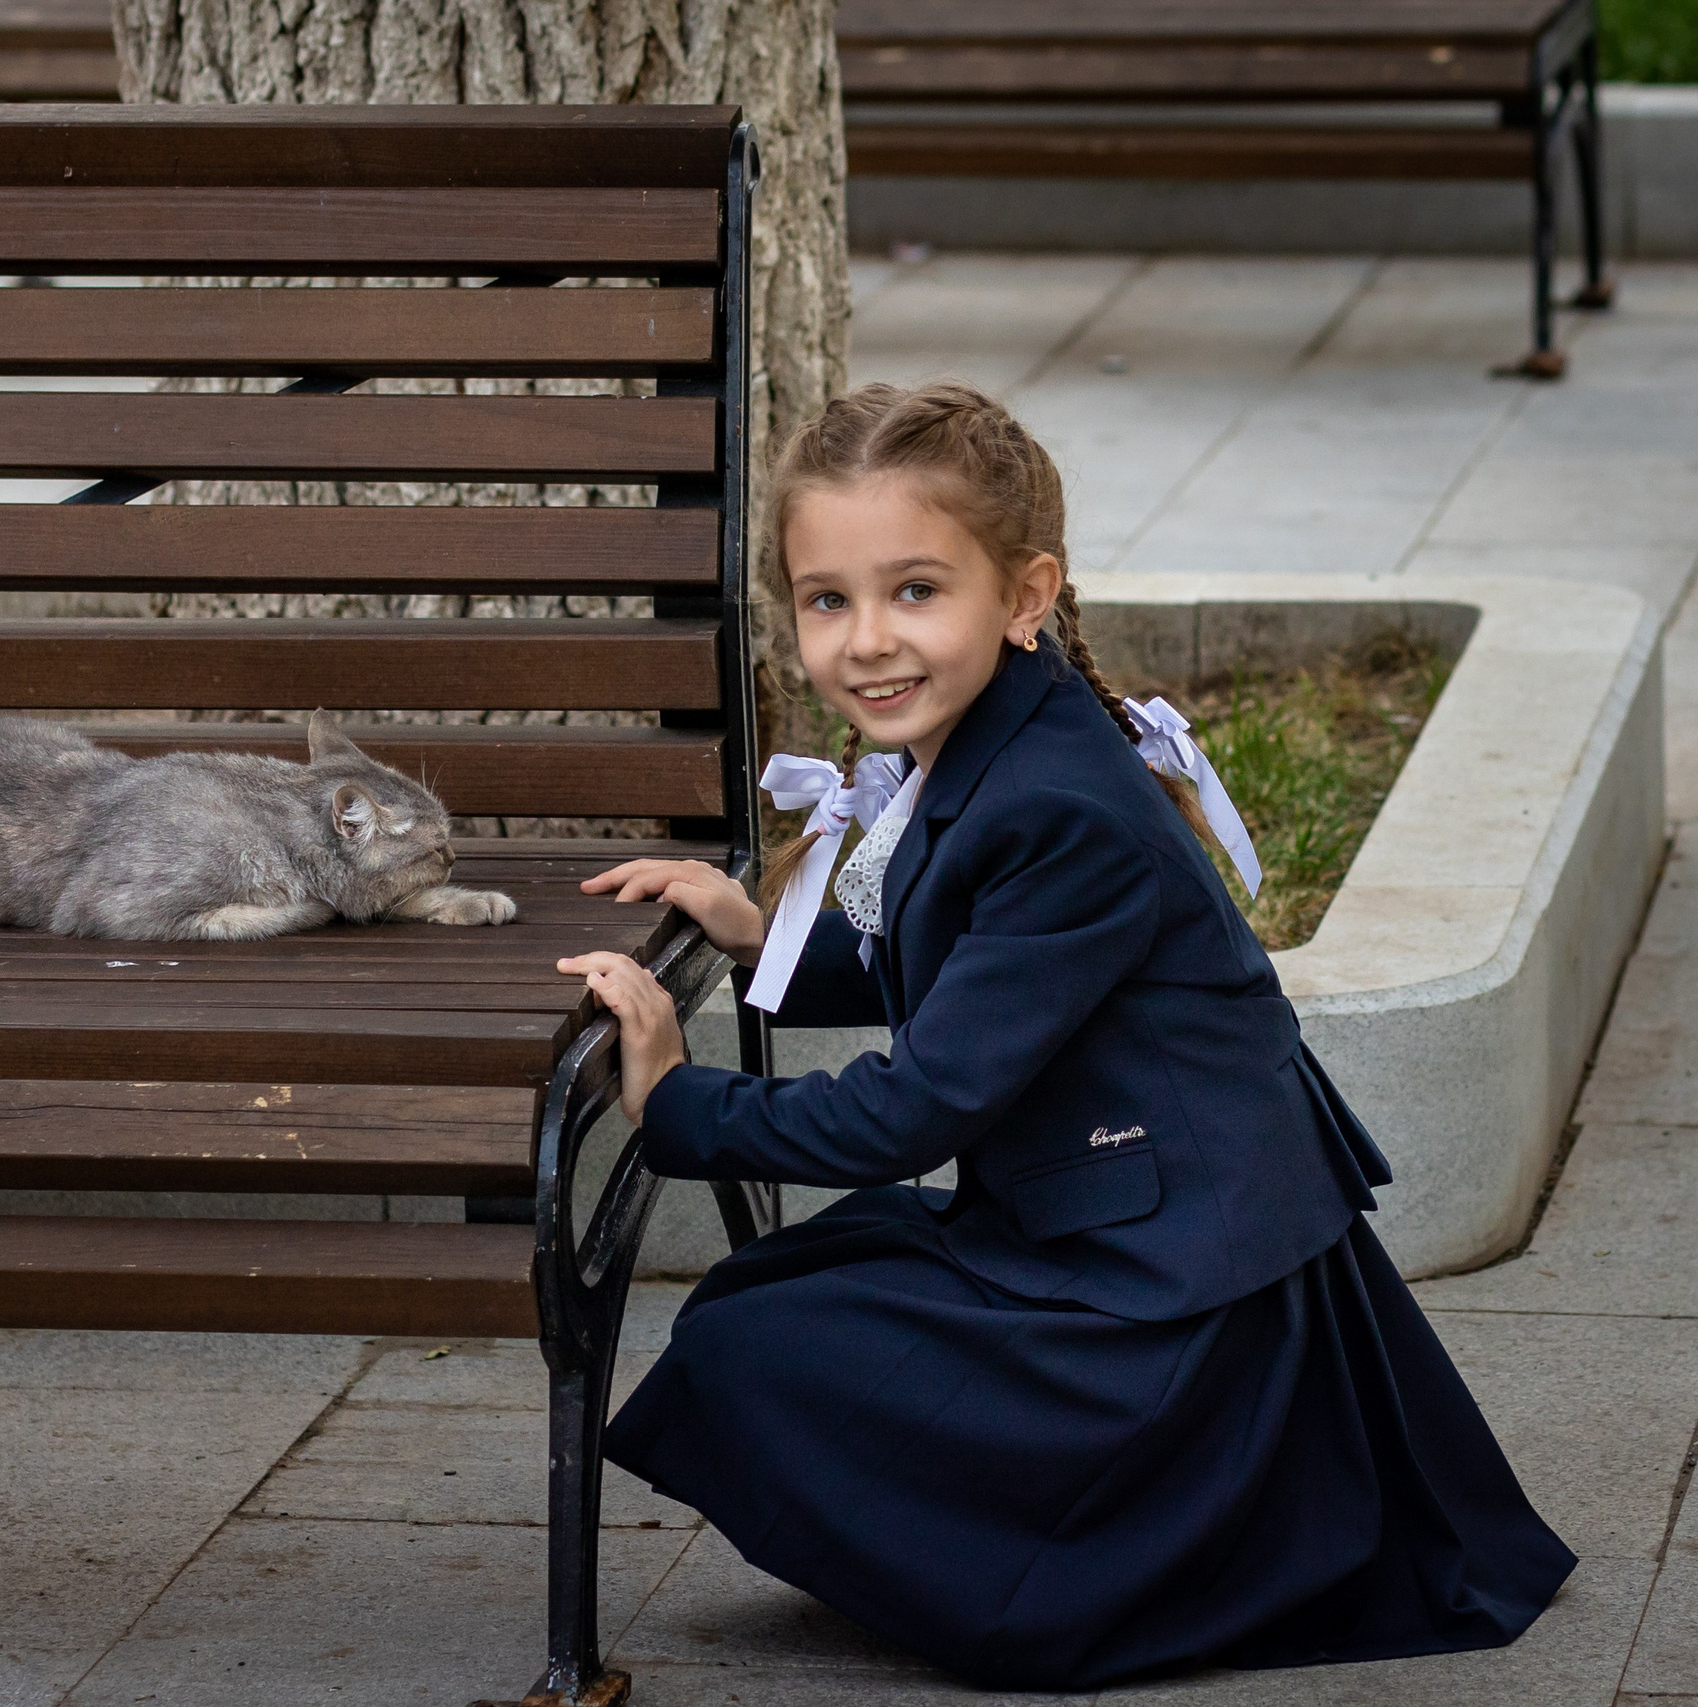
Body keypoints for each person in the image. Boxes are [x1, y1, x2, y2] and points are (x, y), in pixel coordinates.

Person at [555, 381, 1573, 1692]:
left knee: (754, 1347)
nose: (869, 640)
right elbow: (954, 965)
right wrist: (762, 938)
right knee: (787, 1288)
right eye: (828, 600)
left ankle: (1059, 1581)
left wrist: (675, 1105)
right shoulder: (1002, 736)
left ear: (1023, 596)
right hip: (1122, 1209)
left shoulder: (1059, 809)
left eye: (916, 591)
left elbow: (916, 1107)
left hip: (1177, 1291)